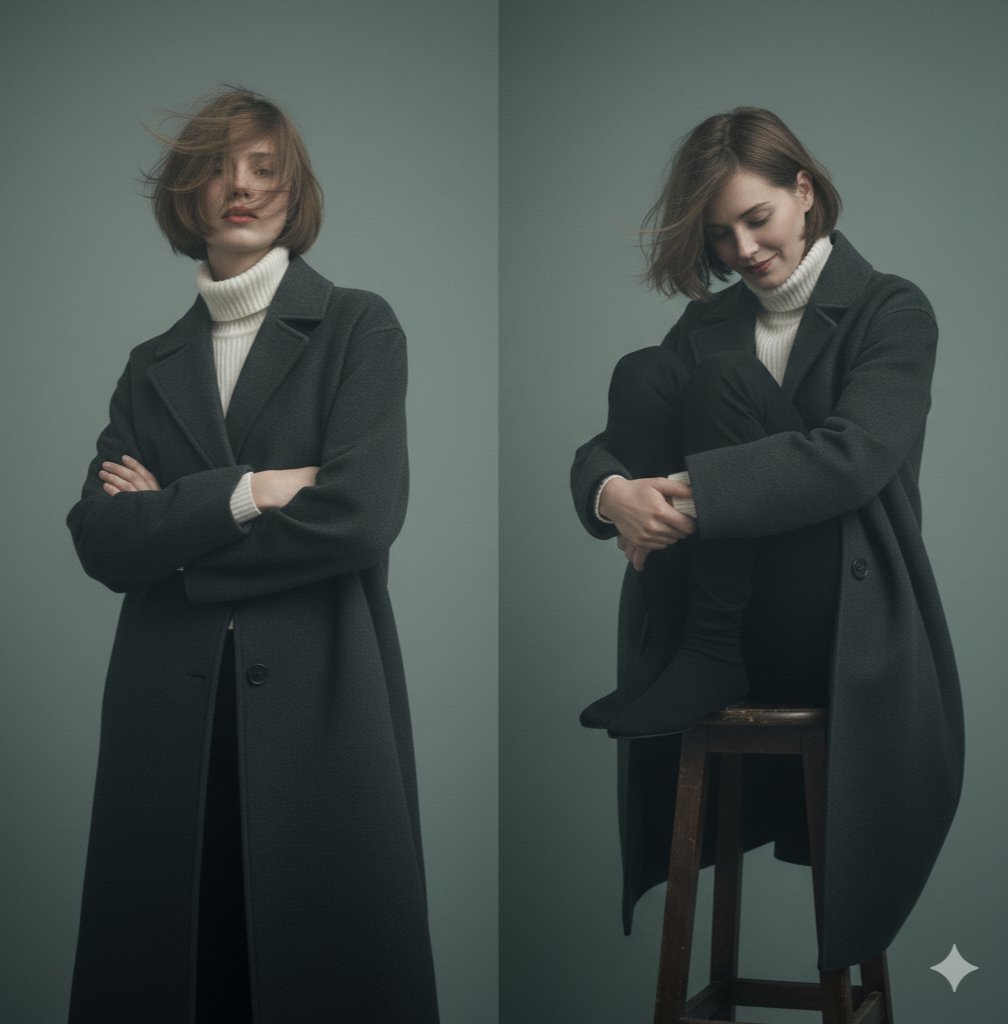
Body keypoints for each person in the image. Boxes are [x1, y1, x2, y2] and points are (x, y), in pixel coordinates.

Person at [66, 88, 439, 1023]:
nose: (242, 187)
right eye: (219, 169)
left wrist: (181, 541)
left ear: (293, 188)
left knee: (325, 969)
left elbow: (360, 513)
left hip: (320, 699)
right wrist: (255, 489)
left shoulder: (358, 326)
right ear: (186, 194)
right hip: (167, 717)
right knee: (184, 968)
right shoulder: (150, 364)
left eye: (265, 168)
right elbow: (101, 538)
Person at [570, 108, 963, 969]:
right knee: (645, 371)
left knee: (716, 385)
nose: (744, 251)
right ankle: (701, 651)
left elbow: (853, 457)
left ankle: (705, 651)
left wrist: (701, 496)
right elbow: (611, 446)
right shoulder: (710, 322)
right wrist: (614, 497)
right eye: (721, 235)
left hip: (836, 619)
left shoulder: (890, 308)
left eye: (759, 219)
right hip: (739, 616)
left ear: (805, 192)